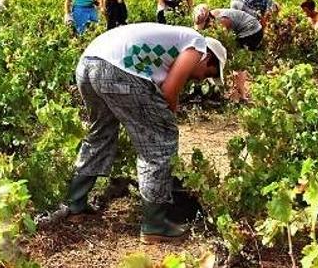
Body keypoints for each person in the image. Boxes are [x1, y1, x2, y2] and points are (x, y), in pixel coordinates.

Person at [62, 24, 226, 242]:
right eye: (208, 73)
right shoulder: (197, 45)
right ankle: (155, 224)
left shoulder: (172, 45)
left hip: (89, 62)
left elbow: (167, 97)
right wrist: (166, 127)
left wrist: (166, 117)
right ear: (207, 59)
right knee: (159, 144)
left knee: (100, 134)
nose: (201, 79)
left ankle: (75, 203)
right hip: (116, 70)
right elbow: (169, 92)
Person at [193, 4, 263, 50]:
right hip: (251, 28)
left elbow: (226, 41)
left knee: (239, 49)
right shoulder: (213, 15)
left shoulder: (222, 20)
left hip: (253, 32)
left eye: (205, 26)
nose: (206, 28)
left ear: (209, 19)